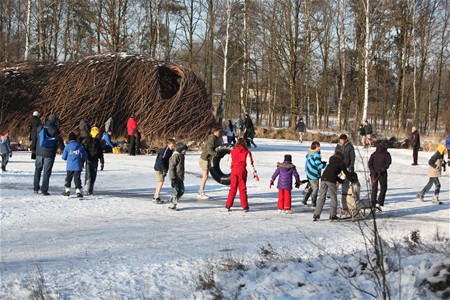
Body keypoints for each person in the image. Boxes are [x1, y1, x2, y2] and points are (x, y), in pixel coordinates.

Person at [313, 151, 350, 221]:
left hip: (323, 178)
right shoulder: (341, 163)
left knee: (321, 197)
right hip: (331, 180)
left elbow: (332, 173)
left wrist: (340, 180)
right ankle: (333, 215)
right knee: (333, 197)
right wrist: (352, 179)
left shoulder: (331, 162)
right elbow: (346, 174)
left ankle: (316, 214)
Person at [33, 114, 64, 195]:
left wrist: (34, 149)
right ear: (55, 121)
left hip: (39, 152)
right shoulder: (54, 129)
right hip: (49, 153)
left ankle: (36, 188)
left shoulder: (40, 127)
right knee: (47, 172)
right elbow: (58, 140)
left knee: (37, 170)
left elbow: (35, 138)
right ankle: (44, 190)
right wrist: (62, 148)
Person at [225, 138, 258, 212]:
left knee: (233, 188)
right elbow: (250, 164)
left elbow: (229, 163)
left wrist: (232, 167)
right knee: (242, 188)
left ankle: (228, 205)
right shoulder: (247, 152)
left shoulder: (232, 152)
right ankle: (245, 206)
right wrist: (254, 172)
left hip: (234, 170)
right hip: (242, 170)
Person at [198, 126, 223, 199]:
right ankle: (200, 192)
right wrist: (217, 155)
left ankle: (201, 191)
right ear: (215, 131)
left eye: (221, 132)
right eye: (219, 131)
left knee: (205, 176)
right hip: (204, 159)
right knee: (205, 176)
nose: (220, 133)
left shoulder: (217, 138)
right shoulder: (212, 139)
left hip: (207, 159)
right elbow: (209, 151)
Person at [62, 132, 87, 197]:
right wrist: (83, 159)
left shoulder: (67, 147)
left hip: (69, 166)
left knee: (68, 178)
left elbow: (64, 157)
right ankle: (78, 190)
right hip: (78, 166)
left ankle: (67, 190)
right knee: (77, 178)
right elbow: (85, 155)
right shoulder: (79, 146)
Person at [302, 141, 327, 207]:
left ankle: (304, 200)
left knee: (311, 187)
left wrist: (322, 162)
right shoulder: (316, 154)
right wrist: (326, 166)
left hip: (309, 172)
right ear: (315, 147)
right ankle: (314, 203)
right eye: (318, 147)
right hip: (314, 174)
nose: (319, 148)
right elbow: (318, 165)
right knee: (315, 188)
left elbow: (313, 162)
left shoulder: (310, 153)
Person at [368, 143, 392, 210]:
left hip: (374, 173)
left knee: (374, 188)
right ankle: (379, 202)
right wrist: (384, 168)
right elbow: (389, 162)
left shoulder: (374, 154)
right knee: (383, 187)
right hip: (382, 173)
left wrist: (372, 170)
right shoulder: (387, 154)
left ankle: (373, 202)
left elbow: (370, 163)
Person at [82, 130, 104, 196]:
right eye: (97, 134)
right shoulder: (87, 141)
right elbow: (84, 152)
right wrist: (83, 161)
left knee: (93, 176)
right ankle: (86, 190)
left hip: (95, 161)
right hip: (89, 161)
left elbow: (100, 153)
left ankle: (91, 189)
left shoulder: (98, 142)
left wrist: (102, 161)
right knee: (88, 176)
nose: (98, 135)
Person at [153, 138, 176, 204]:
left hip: (162, 168)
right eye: (172, 146)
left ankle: (157, 196)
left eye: (174, 146)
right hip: (159, 168)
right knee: (160, 182)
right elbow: (161, 160)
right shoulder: (165, 151)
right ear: (168, 144)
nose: (173, 147)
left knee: (161, 182)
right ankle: (156, 197)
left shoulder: (170, 150)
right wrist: (164, 169)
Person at [168, 142, 188, 211]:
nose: (185, 151)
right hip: (174, 177)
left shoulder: (182, 156)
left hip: (180, 177)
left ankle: (171, 200)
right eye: (184, 150)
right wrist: (172, 178)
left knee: (181, 191)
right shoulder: (175, 156)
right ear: (179, 149)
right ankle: (172, 205)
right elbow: (171, 167)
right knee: (175, 192)